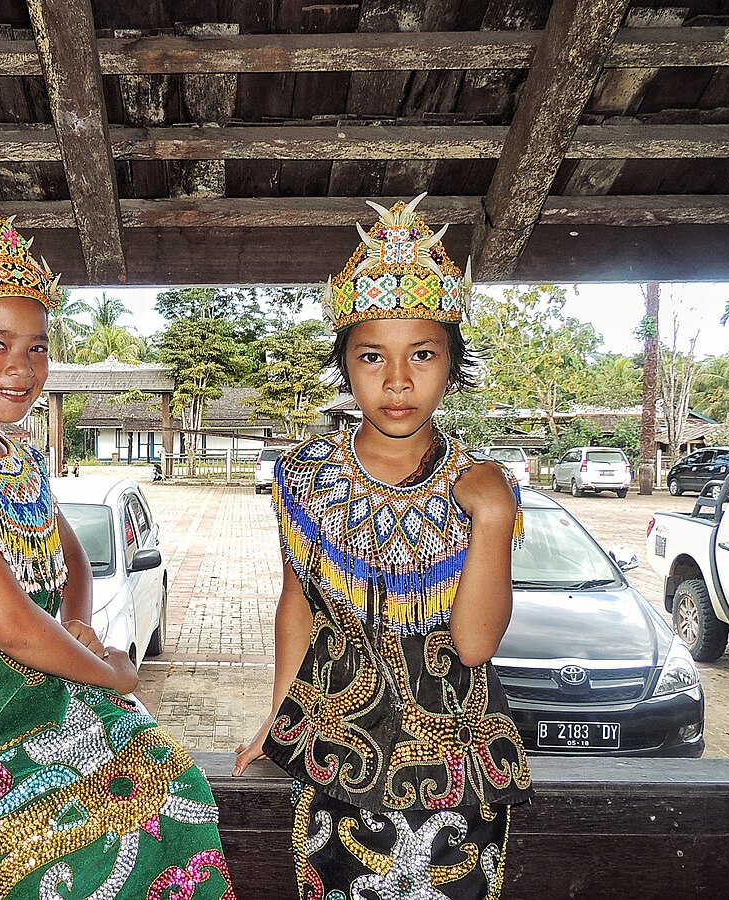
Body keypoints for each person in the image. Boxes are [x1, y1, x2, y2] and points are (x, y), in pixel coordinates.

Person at [0, 212, 234, 900]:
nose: (22, 367)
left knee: (177, 785)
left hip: (39, 695)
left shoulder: (21, 457)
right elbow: (10, 627)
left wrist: (80, 623)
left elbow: (68, 553)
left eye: (37, 348)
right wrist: (112, 676)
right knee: (84, 857)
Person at [233, 195, 533, 899]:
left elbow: (475, 645)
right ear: (344, 364)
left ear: (452, 366)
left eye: (422, 355)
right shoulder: (303, 476)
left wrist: (491, 517)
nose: (398, 381)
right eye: (373, 356)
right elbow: (296, 606)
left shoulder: (482, 484)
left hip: (458, 775)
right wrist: (279, 718)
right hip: (335, 758)